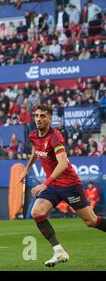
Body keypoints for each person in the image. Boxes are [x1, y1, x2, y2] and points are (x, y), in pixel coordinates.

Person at [19, 105, 106, 267]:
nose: (39, 119)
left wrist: (45, 184)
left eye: (43, 116)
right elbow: (36, 150)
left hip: (68, 185)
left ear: (50, 118)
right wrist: (27, 168)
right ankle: (59, 252)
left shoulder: (55, 137)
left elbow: (63, 163)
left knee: (91, 221)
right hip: (53, 186)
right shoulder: (33, 135)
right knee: (37, 212)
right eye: (37, 115)